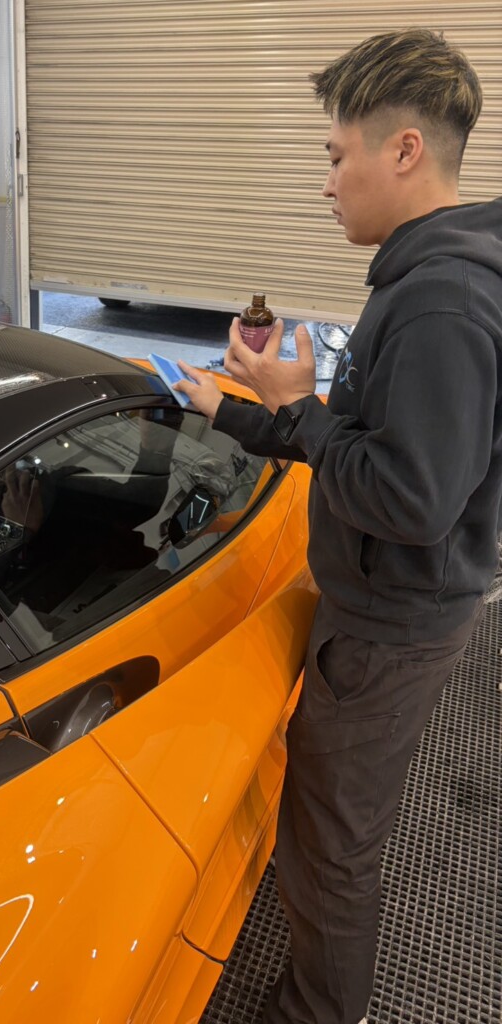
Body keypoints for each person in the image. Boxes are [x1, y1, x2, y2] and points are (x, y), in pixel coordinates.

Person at [175, 28, 502, 1024]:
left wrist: (299, 409)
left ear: (403, 149)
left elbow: (411, 499)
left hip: (389, 627)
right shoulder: (430, 276)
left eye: (335, 155)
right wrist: (248, 408)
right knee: (332, 828)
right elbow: (370, 439)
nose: (325, 183)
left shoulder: (441, 302)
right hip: (392, 610)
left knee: (329, 844)